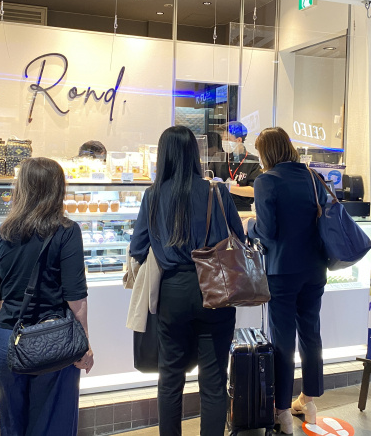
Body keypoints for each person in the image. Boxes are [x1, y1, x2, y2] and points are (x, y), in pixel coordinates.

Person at [130, 125, 244, 436]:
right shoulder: (216, 192)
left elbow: (137, 248)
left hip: (173, 292)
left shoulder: (152, 195)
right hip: (216, 289)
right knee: (214, 379)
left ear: (163, 155)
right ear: (195, 154)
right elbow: (239, 237)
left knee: (170, 377)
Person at [0, 157, 94, 436]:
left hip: (10, 337)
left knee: (13, 423)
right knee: (53, 425)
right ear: (58, 190)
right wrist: (84, 343)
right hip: (54, 339)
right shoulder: (67, 232)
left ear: (20, 188)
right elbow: (76, 297)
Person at [247, 127, 327, 433]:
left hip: (282, 272)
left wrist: (249, 225)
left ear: (267, 152)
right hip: (315, 269)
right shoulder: (312, 177)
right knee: (311, 334)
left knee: (283, 341)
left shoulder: (266, 180)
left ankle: (281, 409)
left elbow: (267, 232)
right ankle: (309, 401)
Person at [209, 122, 261, 211]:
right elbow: (208, 178)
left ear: (239, 140)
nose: (224, 142)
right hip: (218, 207)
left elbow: (253, 191)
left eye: (227, 139)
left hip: (242, 209)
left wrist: (227, 187)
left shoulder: (253, 161)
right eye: (223, 139)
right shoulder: (219, 157)